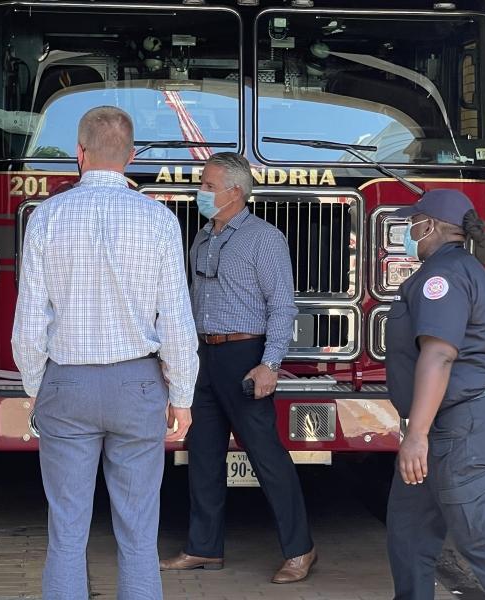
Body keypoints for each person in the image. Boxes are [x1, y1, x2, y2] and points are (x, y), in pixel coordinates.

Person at [11, 106, 199, 600]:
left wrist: (36, 386)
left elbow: (29, 322)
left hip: (67, 384)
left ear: (80, 153)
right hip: (137, 387)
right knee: (138, 536)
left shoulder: (46, 217)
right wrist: (181, 395)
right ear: (131, 157)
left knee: (67, 533)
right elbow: (176, 322)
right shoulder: (159, 220)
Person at [160, 153, 316, 584]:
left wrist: (270, 365)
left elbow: (283, 306)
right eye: (202, 185)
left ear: (235, 192)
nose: (201, 192)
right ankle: (203, 548)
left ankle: (300, 549)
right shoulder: (203, 237)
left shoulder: (265, 239)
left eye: (208, 186)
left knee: (267, 456)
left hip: (245, 358)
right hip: (203, 357)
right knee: (203, 455)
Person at [384, 189, 485, 599]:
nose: (409, 230)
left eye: (413, 222)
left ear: (431, 226)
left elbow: (439, 355)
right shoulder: (458, 269)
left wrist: (415, 435)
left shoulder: (444, 277)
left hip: (459, 430)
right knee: (409, 533)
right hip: (445, 427)